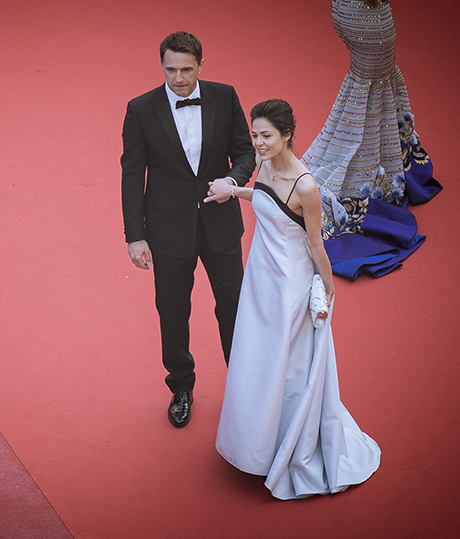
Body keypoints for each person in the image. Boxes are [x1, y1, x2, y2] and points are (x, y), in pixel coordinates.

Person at [209, 99, 381, 500]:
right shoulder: (266, 165)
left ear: (287, 135)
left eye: (266, 136)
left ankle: (285, 448)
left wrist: (327, 290)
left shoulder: (307, 185)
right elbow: (267, 199)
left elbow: (315, 245)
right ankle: (256, 442)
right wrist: (235, 191)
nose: (259, 143)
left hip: (289, 284)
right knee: (256, 354)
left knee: (285, 365)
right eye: (255, 135)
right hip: (261, 278)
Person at [120, 31, 255, 427]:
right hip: (167, 230)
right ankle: (181, 386)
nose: (178, 78)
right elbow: (132, 174)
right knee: (173, 313)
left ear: (201, 64)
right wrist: (135, 235)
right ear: (161, 66)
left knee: (234, 308)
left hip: (220, 222)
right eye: (170, 69)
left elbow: (245, 151)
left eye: (186, 69)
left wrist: (233, 181)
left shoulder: (225, 96)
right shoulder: (141, 108)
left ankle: (245, 385)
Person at [301, 0, 442, 279]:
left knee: (377, 79)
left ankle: (382, 166)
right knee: (373, 78)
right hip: (367, 10)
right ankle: (369, 175)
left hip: (353, 8)